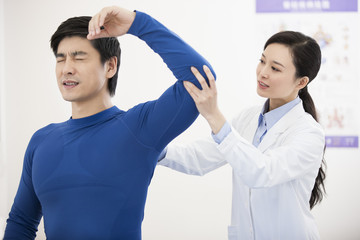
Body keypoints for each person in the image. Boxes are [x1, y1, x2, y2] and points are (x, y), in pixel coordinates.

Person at [4, 6, 215, 239]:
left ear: (111, 66)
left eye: (79, 57)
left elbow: (200, 78)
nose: (67, 69)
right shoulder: (41, 140)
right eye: (60, 59)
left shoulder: (138, 128)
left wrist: (138, 23)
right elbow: (21, 223)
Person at [159, 31, 326, 240]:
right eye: (262, 61)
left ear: (301, 82)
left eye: (275, 68)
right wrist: (153, 148)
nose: (262, 72)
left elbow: (262, 172)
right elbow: (199, 158)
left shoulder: (309, 133)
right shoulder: (248, 118)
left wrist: (213, 115)